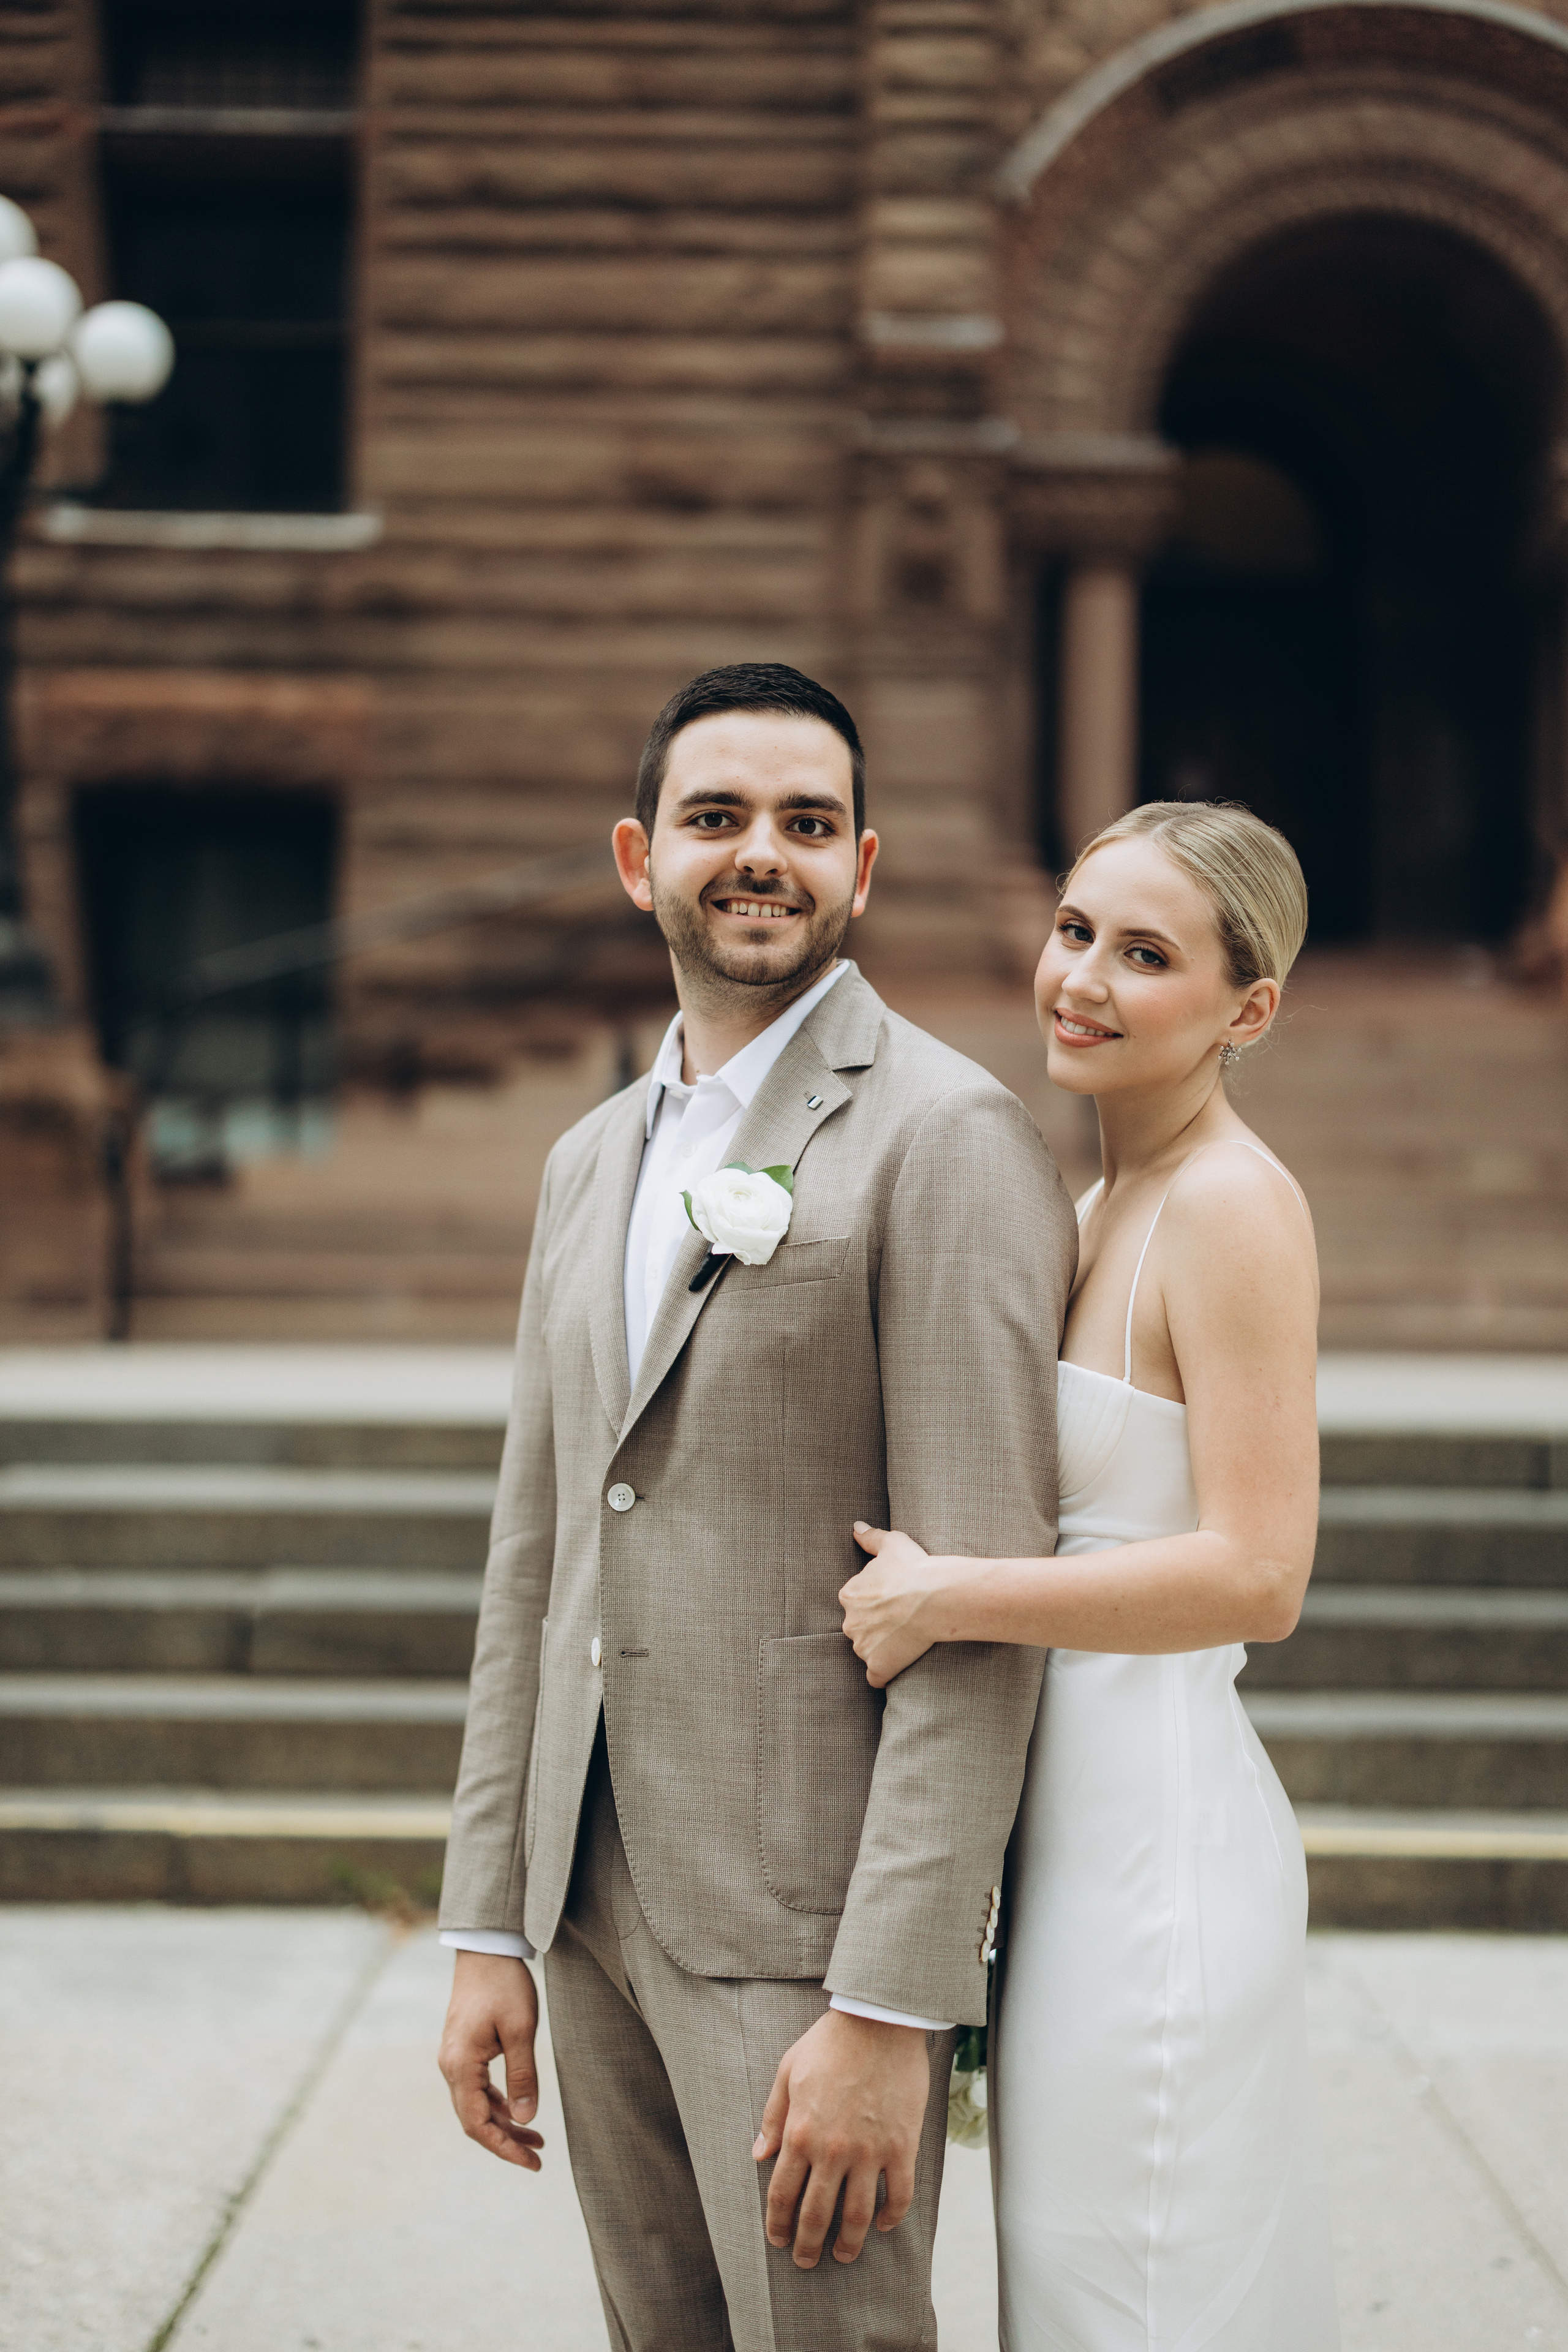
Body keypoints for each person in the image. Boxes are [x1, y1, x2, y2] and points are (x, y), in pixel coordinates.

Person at [436, 662, 1077, 2350]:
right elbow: (534, 1558)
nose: (760, 855)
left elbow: (981, 1596)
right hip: (589, 1900)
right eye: (716, 817)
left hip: (808, 1928)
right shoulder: (589, 1157)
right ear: (638, 857)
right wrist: (490, 1921)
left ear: (860, 867)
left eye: (806, 823)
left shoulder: (948, 1135)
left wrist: (891, 2001)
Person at [842, 801, 1341, 2350]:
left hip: (1155, 1862)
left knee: (1129, 2295)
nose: (1082, 980)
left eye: (1144, 955)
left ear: (1245, 1010)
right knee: (1067, 2295)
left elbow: (1258, 1574)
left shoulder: (1230, 1206)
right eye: (1074, 932)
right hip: (1062, 1849)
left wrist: (948, 1596)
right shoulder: (1089, 1203)